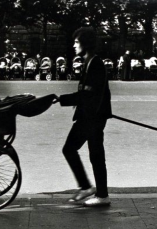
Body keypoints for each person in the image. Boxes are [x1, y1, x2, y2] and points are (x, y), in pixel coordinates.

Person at [57, 27, 112, 207]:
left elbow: (90, 95)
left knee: (72, 149)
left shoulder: (94, 63)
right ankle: (98, 193)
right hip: (92, 116)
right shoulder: (90, 61)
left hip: (91, 118)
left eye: (76, 42)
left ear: (85, 43)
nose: (73, 45)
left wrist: (62, 99)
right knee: (95, 155)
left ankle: (89, 188)